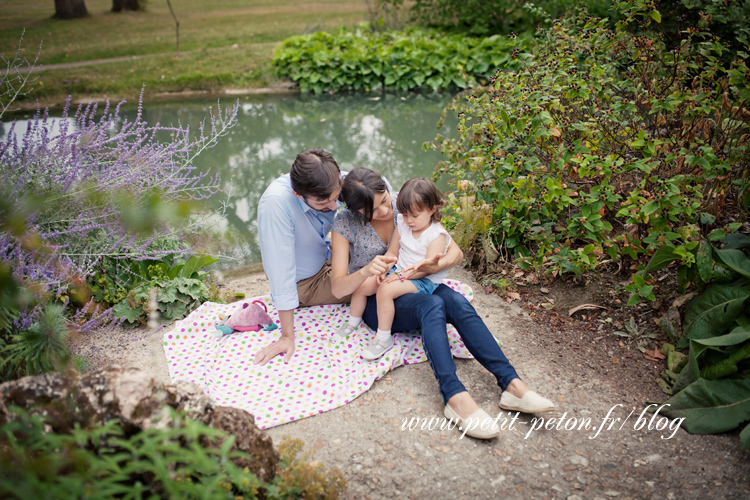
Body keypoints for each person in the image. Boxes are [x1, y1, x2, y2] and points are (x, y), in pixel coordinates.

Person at [330, 167, 554, 440]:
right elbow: (338, 287)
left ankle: (512, 385)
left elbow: (454, 250)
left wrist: (433, 265)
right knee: (433, 306)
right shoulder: (344, 223)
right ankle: (455, 397)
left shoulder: (407, 204)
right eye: (373, 211)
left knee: (456, 301)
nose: (386, 212)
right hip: (377, 301)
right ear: (356, 211)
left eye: (385, 201)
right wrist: (367, 272)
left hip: (411, 281)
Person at [336, 177, 452, 361]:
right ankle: (352, 321)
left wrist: (401, 276)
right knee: (363, 285)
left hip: (422, 279)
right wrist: (384, 268)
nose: (409, 220)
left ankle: (383, 338)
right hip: (400, 270)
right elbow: (392, 253)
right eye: (405, 215)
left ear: (432, 209)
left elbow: (428, 268)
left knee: (385, 289)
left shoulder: (436, 235)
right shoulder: (403, 224)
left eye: (414, 216)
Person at [254, 148, 351, 366]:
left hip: (328, 256)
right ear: (298, 194)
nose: (334, 206)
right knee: (374, 281)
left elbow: (379, 185)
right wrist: (287, 336)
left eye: (336, 198)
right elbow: (281, 271)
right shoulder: (276, 205)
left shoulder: (325, 179)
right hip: (306, 283)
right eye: (324, 203)